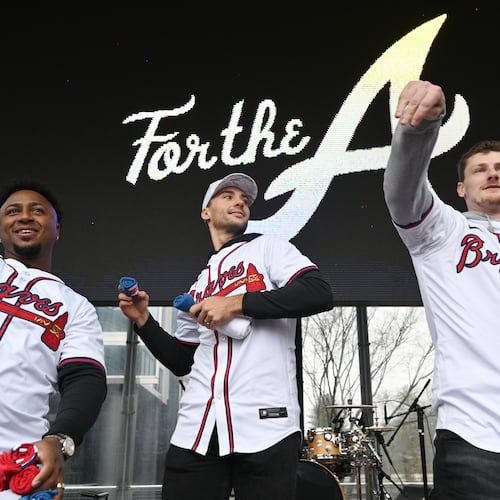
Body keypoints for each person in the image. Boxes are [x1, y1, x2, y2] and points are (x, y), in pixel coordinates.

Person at [118, 172, 333, 500]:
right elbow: (181, 360)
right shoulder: (198, 284)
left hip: (266, 424)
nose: (239, 202)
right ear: (206, 211)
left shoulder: (269, 248)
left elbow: (318, 293)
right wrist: (144, 320)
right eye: (228, 196)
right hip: (198, 426)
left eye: (244, 199)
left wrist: (237, 304)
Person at [384, 80, 500, 499]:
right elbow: (403, 193)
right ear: (460, 189)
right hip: (477, 434)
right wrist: (419, 131)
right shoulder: (444, 232)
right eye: (480, 169)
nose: (493, 173)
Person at [0, 179, 107, 500]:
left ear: (57, 229)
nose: (24, 217)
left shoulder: (76, 306)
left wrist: (60, 439)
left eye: (38, 211)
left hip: (14, 463)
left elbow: (84, 379)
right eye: (12, 211)